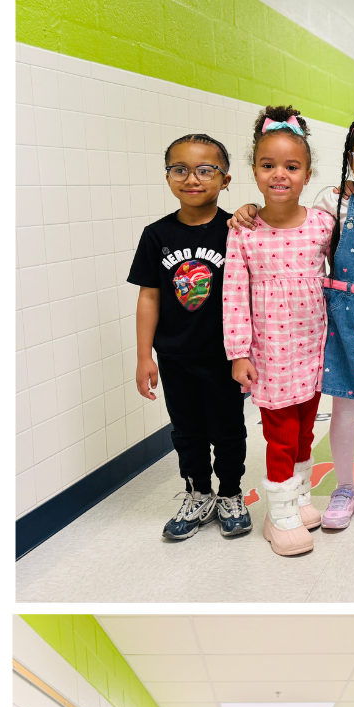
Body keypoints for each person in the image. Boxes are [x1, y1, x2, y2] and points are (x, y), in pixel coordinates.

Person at [230, 116, 354, 536]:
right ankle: (345, 489)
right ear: (349, 159)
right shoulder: (330, 202)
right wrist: (246, 210)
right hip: (341, 319)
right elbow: (288, 222)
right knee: (345, 407)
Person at [223, 105, 335, 556]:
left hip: (314, 346)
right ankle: (279, 513)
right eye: (268, 166)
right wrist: (239, 352)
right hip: (270, 353)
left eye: (292, 166)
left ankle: (300, 496)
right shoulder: (245, 230)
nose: (280, 175)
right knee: (281, 434)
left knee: (308, 429)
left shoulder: (323, 225)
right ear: (254, 171)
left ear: (308, 174)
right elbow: (232, 294)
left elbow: (343, 274)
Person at [128, 133, 252, 542]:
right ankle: (198, 492)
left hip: (224, 356)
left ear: (225, 179)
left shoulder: (236, 230)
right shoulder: (157, 235)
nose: (191, 179)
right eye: (179, 169)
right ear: (168, 177)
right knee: (186, 430)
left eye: (205, 170)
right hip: (175, 355)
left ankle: (231, 494)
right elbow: (149, 296)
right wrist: (144, 356)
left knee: (228, 429)